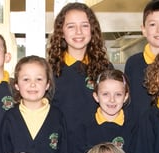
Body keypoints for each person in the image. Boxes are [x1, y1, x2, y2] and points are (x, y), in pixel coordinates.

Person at [46, 2, 112, 137]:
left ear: (92, 30)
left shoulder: (106, 69)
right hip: (62, 148)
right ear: (61, 32)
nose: (78, 32)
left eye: (84, 25)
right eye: (71, 26)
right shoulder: (49, 71)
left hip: (97, 148)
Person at [124, 0, 159, 118]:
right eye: (153, 24)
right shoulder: (133, 63)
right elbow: (127, 104)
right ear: (143, 29)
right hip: (139, 133)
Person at [73, 68, 137, 153]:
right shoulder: (83, 128)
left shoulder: (135, 127)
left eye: (118, 94)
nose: (112, 100)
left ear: (125, 96)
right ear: (96, 96)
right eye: (105, 94)